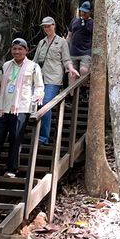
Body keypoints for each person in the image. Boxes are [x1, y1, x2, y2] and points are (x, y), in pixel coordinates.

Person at [0, 38, 44, 179]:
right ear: (11, 50)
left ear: (26, 50)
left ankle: (11, 169)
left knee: (16, 139)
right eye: (14, 49)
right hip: (3, 108)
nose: (17, 51)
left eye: (20, 49)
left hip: (21, 108)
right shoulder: (6, 66)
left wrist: (38, 95)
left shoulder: (33, 67)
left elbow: (39, 86)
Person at [33, 17, 79, 145]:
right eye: (44, 26)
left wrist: (71, 69)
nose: (47, 28)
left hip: (53, 77)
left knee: (46, 103)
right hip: (39, 77)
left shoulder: (61, 42)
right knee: (32, 102)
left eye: (49, 26)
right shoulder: (41, 42)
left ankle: (43, 137)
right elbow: (35, 60)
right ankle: (32, 132)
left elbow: (66, 59)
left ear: (54, 25)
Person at [66, 1, 93, 85]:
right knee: (71, 74)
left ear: (90, 11)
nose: (83, 13)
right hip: (73, 52)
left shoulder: (93, 23)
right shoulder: (74, 21)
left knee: (84, 70)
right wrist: (65, 49)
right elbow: (69, 35)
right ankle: (71, 95)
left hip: (85, 52)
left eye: (85, 11)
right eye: (82, 11)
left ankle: (84, 90)